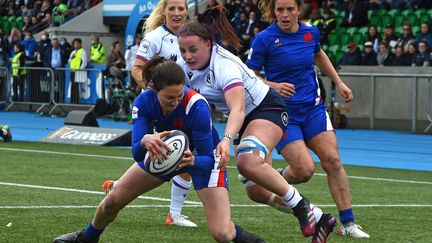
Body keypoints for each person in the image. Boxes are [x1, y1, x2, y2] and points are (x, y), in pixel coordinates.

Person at [52, 57, 265, 243]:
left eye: (179, 96)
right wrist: (145, 140)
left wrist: (191, 162)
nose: (175, 101)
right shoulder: (144, 101)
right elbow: (137, 153)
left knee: (222, 234)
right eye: (169, 97)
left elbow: (209, 160)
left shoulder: (197, 106)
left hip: (199, 158)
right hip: (163, 155)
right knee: (112, 200)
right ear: (155, 90)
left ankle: (247, 238)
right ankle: (87, 238)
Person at [177, 6, 324, 241]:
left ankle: (300, 205)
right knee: (255, 189)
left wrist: (226, 139)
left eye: (192, 49)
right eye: (183, 50)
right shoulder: (183, 66)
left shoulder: (224, 65)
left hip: (267, 108)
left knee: (247, 160)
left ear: (208, 44)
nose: (187, 56)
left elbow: (238, 108)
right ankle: (322, 217)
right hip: (246, 120)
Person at [247, 0, 369, 239]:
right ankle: (273, 179)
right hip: (282, 114)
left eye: (289, 9)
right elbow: (249, 75)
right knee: (303, 171)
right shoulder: (264, 39)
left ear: (298, 10)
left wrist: (339, 82)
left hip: (313, 109)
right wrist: (273, 86)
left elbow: (319, 54)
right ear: (274, 11)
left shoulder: (310, 31)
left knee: (333, 159)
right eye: (279, 10)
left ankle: (348, 223)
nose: (284, 14)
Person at [106, 0, 197, 228]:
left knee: (184, 152)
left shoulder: (190, 37)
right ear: (164, 11)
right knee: (168, 154)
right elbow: (137, 68)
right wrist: (153, 93)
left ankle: (119, 187)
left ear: (187, 11)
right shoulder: (155, 37)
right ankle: (173, 213)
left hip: (184, 105)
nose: (177, 13)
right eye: (172, 8)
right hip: (163, 108)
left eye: (181, 8)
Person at [68, 38, 87, 104]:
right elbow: (69, 61)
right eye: (74, 44)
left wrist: (80, 70)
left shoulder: (82, 51)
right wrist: (71, 58)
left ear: (80, 44)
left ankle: (77, 101)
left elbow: (84, 62)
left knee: (77, 86)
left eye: (76, 43)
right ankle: (72, 100)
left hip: (78, 71)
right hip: (72, 71)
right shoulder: (73, 52)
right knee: (73, 86)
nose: (75, 45)